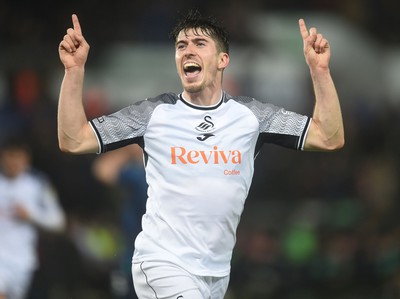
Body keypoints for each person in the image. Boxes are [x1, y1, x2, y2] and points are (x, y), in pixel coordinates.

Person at [57, 10, 344, 299]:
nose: (187, 51)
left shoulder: (252, 117)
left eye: (199, 43)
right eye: (181, 45)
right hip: (162, 263)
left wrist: (320, 72)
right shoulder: (152, 115)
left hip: (216, 273)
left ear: (222, 60)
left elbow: (328, 137)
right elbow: (74, 140)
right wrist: (73, 72)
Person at [0, 137, 66, 299]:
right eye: (10, 156)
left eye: (18, 157)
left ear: (26, 159)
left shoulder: (37, 184)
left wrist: (31, 216)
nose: (13, 162)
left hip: (24, 261)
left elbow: (58, 222)